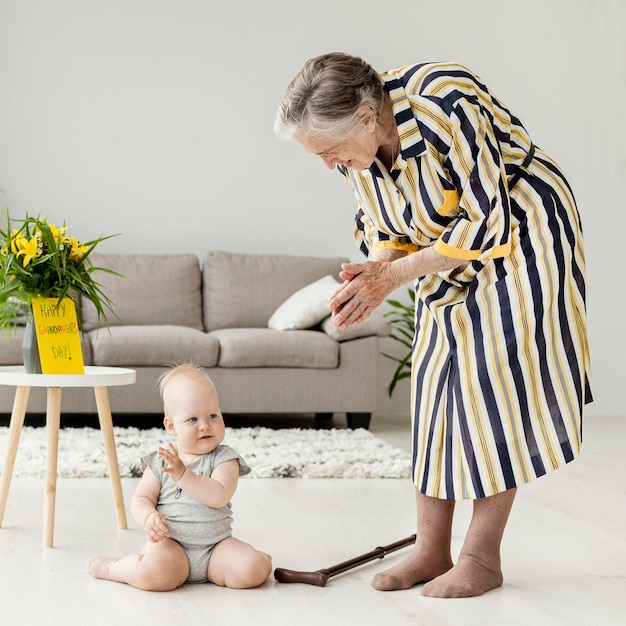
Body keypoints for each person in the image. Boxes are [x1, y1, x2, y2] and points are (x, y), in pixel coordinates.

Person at [275, 53, 592, 598]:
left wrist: (393, 273)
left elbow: (488, 221)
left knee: (492, 385)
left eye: (328, 152)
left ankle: (480, 557)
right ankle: (430, 549)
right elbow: (380, 225)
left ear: (367, 118)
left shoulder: (445, 101)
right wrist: (375, 271)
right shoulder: (358, 152)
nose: (328, 165)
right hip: (442, 250)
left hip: (522, 235)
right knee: (434, 383)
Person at [87, 363, 272, 591]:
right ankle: (113, 568)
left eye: (212, 415)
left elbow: (219, 496)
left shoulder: (224, 458)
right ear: (172, 426)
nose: (205, 426)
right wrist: (149, 517)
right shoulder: (161, 460)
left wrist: (183, 474)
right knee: (150, 575)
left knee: (251, 571)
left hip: (216, 547)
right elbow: (141, 499)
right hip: (171, 547)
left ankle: (260, 559)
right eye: (193, 419)